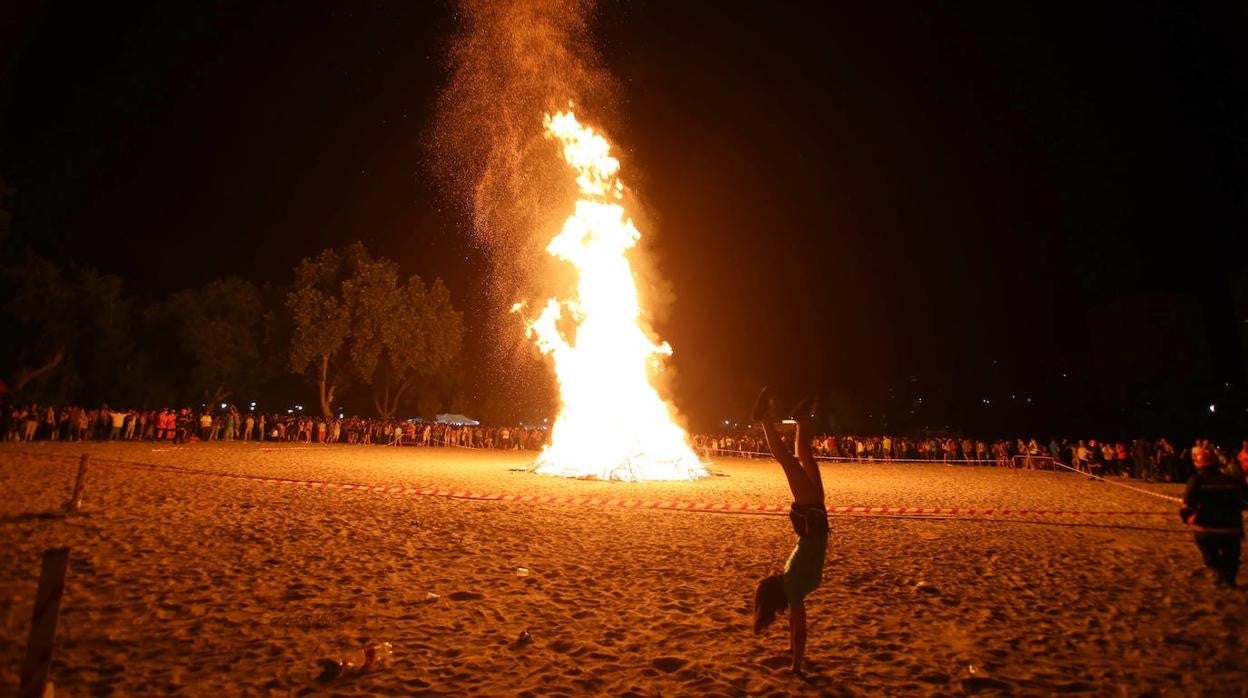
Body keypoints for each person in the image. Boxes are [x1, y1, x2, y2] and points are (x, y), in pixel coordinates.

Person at [750, 387, 828, 676]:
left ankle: (764, 420)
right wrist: (790, 650)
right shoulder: (790, 581)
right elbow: (796, 627)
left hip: (810, 517)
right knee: (804, 457)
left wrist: (796, 666)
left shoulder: (793, 589)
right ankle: (801, 421)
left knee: (788, 462)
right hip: (812, 518)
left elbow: (801, 630)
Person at [1180, 447, 1246, 588]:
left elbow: (1188, 504)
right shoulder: (1232, 480)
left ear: (1197, 463)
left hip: (1206, 528)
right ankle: (1229, 577)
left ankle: (1220, 573)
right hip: (1232, 527)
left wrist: (1186, 518)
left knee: (1209, 553)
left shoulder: (1196, 480)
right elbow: (1244, 501)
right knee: (1232, 554)